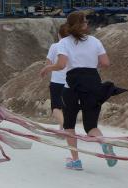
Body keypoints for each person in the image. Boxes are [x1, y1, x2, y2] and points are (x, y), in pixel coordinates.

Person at [40, 11, 117, 170]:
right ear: (83, 25)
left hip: (73, 86)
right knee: (91, 126)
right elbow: (106, 62)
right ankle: (104, 142)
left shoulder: (64, 42)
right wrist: (91, 65)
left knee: (69, 125)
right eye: (86, 21)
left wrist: (48, 68)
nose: (87, 24)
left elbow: (61, 65)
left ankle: (76, 160)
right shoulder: (95, 41)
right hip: (93, 83)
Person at [45, 24, 69, 129]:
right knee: (67, 107)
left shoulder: (55, 46)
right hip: (71, 82)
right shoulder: (74, 47)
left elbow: (48, 64)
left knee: (56, 107)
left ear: (59, 34)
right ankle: (62, 129)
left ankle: (64, 125)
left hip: (57, 81)